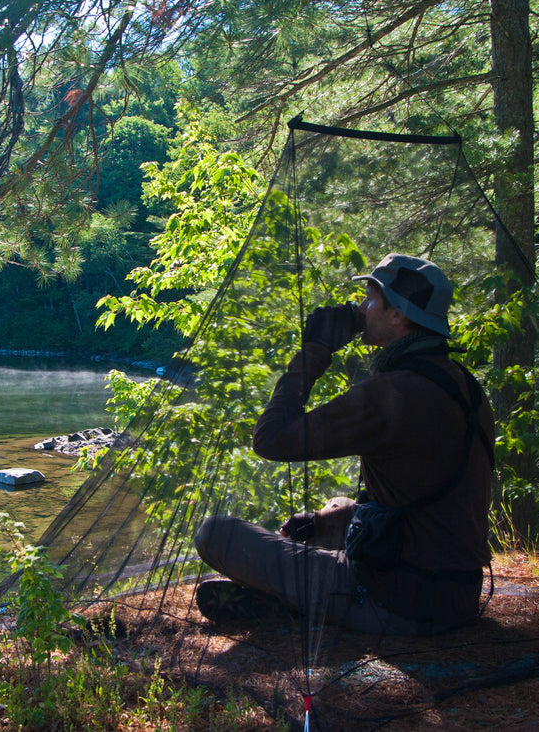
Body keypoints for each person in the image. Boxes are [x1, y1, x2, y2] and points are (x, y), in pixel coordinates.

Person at [193, 253, 494, 635]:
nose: (360, 309)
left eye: (370, 299)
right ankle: (297, 595)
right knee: (337, 508)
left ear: (397, 315)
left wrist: (316, 350)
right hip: (456, 594)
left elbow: (271, 439)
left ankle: (291, 603)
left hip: (396, 601)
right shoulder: (464, 385)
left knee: (215, 534)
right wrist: (324, 522)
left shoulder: (393, 393)